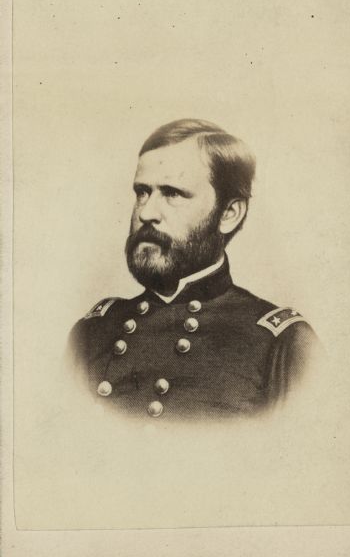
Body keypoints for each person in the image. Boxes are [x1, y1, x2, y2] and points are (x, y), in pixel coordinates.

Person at [68, 118, 321, 419]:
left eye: (173, 193)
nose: (146, 213)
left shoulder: (282, 344)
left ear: (228, 214)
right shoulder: (92, 331)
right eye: (142, 192)